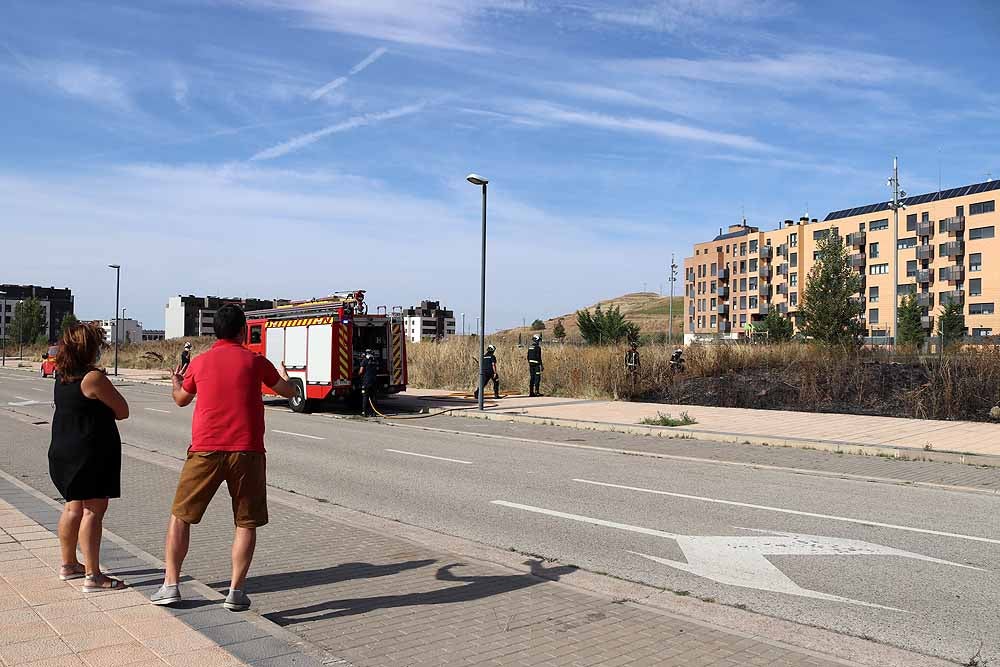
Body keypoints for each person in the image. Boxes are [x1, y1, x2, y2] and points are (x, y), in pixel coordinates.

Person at [151, 304, 296, 611]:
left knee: (181, 517)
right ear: (243, 331)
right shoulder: (256, 361)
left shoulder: (200, 363)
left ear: (214, 331)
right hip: (247, 451)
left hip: (205, 449)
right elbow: (285, 391)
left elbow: (180, 400)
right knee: (245, 522)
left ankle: (171, 585)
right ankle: (236, 592)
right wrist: (285, 376)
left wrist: (176, 383)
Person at [48, 322, 129, 592]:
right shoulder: (92, 379)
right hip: (90, 453)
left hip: (63, 451)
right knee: (93, 511)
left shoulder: (62, 375)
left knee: (73, 507)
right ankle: (94, 576)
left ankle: (68, 564)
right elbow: (122, 410)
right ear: (89, 348)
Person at [359, 349, 380, 417]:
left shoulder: (364, 361)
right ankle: (373, 413)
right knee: (373, 397)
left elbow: (361, 371)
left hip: (366, 382)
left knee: (365, 397)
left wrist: (358, 374)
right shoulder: (375, 361)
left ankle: (364, 412)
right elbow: (377, 369)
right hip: (374, 382)